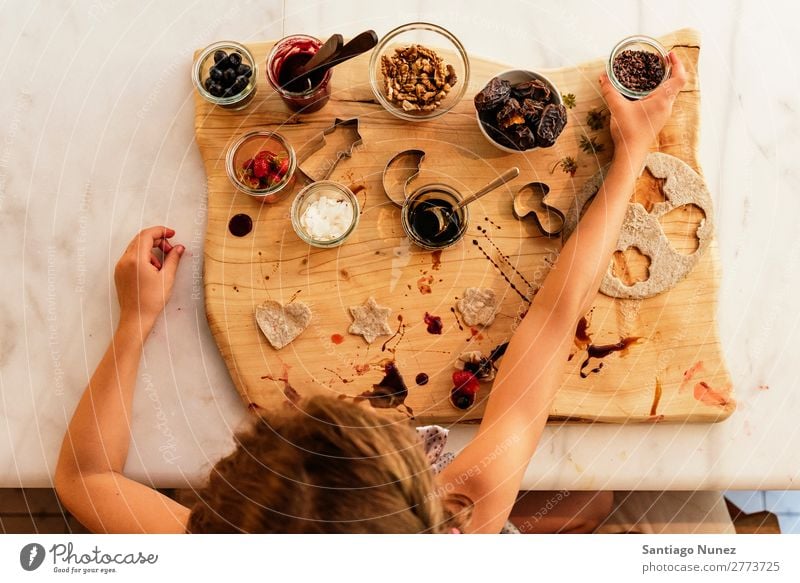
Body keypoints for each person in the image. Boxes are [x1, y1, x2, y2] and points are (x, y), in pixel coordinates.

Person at [55, 53, 688, 534]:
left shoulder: (212, 551)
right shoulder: (463, 530)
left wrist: (134, 323)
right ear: (432, 511)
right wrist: (631, 153)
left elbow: (83, 476)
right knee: (597, 503)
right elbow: (551, 325)